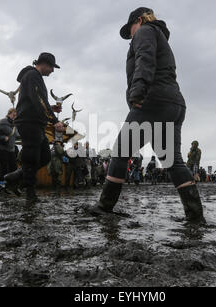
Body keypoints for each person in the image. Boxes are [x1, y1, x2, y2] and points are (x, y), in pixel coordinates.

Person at [86, 8, 205, 224]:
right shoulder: (161, 37)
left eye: (130, 29)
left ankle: (104, 206)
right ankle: (196, 216)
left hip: (152, 102)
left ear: (138, 20)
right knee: (173, 161)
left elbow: (145, 58)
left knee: (121, 152)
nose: (131, 35)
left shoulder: (145, 31)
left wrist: (138, 90)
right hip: (174, 104)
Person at [4, 53, 65, 204]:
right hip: (29, 122)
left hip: (36, 122)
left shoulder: (33, 77)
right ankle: (30, 193)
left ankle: (14, 177)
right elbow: (39, 99)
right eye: (51, 67)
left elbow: (33, 101)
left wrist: (50, 108)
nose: (52, 70)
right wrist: (54, 120)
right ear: (44, 63)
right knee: (32, 157)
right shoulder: (33, 75)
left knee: (45, 156)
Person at [0, 108, 21, 195]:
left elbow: (17, 135)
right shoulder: (3, 122)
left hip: (11, 149)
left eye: (16, 114)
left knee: (13, 168)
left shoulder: (15, 124)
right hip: (1, 147)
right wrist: (3, 137)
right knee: (4, 167)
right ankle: (1, 187)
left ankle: (10, 186)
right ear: (9, 113)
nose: (15, 116)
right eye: (14, 114)